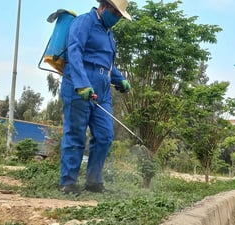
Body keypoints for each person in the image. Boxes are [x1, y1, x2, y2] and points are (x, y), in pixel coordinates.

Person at [59, 0, 132, 195]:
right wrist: (81, 84)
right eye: (115, 14)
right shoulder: (84, 22)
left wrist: (120, 79)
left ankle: (93, 181)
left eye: (119, 16)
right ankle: (68, 182)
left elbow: (106, 64)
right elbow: (74, 52)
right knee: (75, 135)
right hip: (79, 89)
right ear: (104, 7)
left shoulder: (109, 34)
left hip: (103, 93)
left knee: (105, 136)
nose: (117, 19)